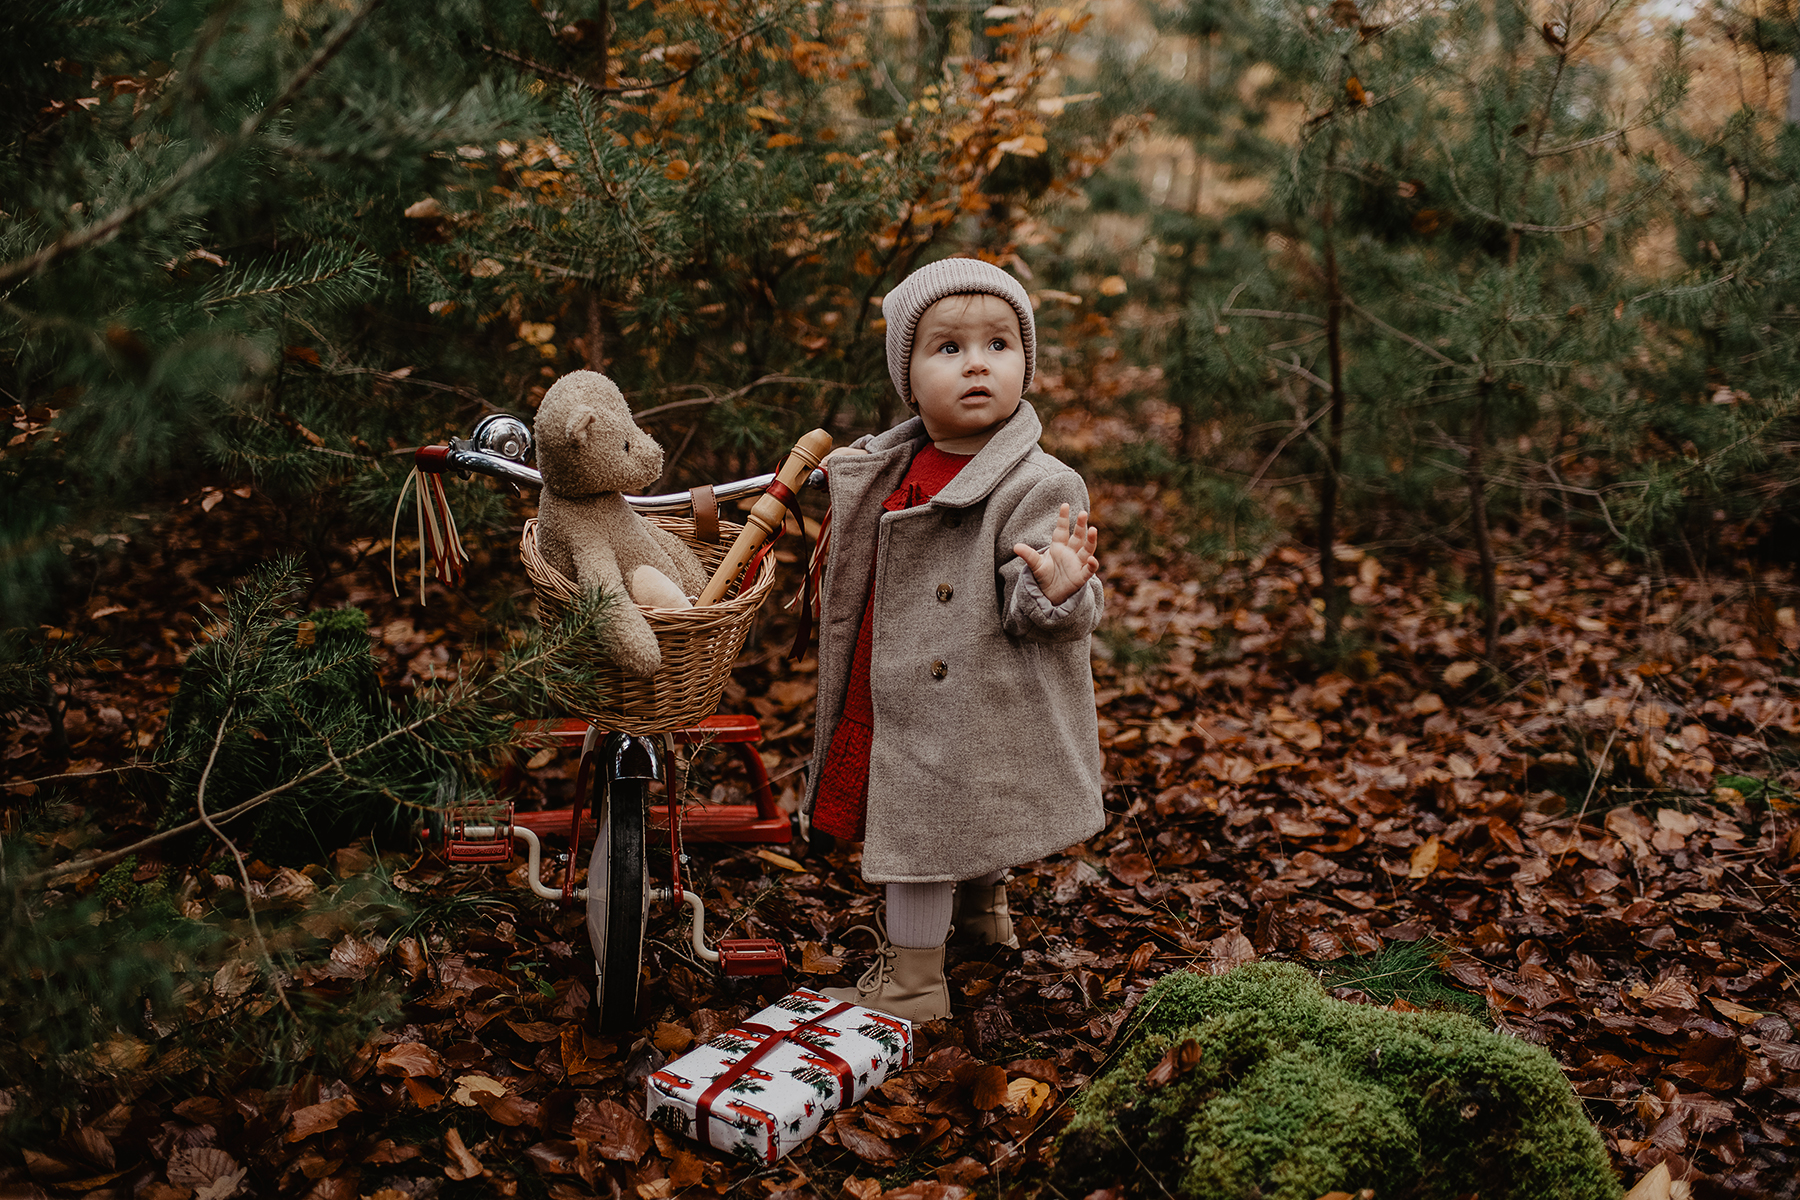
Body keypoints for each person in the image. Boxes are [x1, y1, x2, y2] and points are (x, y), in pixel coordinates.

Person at [804, 257, 1106, 1022]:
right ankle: (982, 918)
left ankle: (913, 983)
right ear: (907, 375)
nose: (977, 363)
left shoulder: (1039, 481)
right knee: (948, 801)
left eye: (999, 345)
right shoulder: (894, 463)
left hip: (971, 691)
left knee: (926, 819)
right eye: (948, 348)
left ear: (1025, 365)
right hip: (894, 666)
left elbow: (1038, 606)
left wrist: (1059, 586)